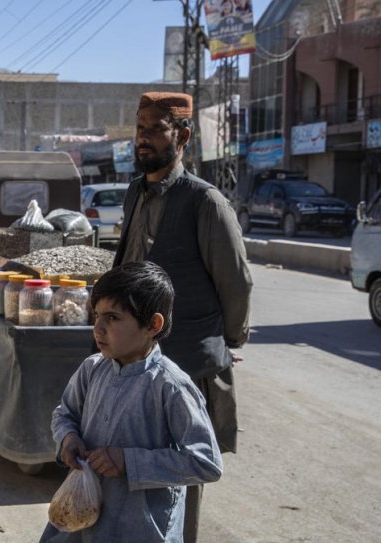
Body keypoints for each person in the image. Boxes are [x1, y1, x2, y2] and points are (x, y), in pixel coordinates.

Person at [114, 91, 252, 542]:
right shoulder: (137, 192)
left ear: (184, 136)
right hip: (136, 362)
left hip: (187, 367)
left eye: (156, 129)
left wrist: (228, 343)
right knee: (133, 477)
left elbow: (236, 282)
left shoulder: (205, 202)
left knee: (179, 483)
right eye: (140, 128)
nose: (143, 139)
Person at [38, 261, 222, 543]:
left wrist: (130, 461)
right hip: (82, 522)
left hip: (140, 529)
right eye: (96, 315)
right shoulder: (92, 368)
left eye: (112, 318)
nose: (97, 328)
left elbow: (205, 462)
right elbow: (64, 414)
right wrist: (68, 438)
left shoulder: (170, 386)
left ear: (152, 325)